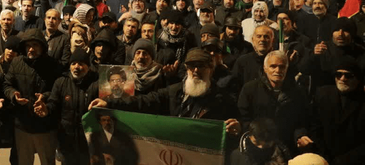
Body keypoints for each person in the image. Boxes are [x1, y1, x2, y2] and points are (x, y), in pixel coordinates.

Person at [89, 48, 241, 134]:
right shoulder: (173, 92)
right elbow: (142, 101)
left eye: (201, 66)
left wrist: (238, 128)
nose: (195, 70)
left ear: (210, 69)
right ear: (186, 68)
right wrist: (109, 102)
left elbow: (239, 123)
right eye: (191, 66)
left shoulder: (222, 99)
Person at [3, 29, 61, 165]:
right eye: (28, 45)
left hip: (45, 126)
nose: (31, 49)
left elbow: (58, 89)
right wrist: (13, 95)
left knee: (47, 161)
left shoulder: (52, 64)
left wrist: (45, 96)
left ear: (42, 46)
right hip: (23, 126)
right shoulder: (17, 62)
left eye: (35, 45)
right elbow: (7, 85)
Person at [237, 51, 310, 155]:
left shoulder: (298, 92)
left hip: (287, 147)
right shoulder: (250, 89)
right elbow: (244, 118)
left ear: (287, 68)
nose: (278, 70)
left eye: (282, 67)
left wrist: (301, 135)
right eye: (273, 66)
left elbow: (302, 120)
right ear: (265, 68)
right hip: (257, 145)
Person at [34, 49, 98, 165]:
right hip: (67, 140)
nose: (76, 67)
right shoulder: (61, 82)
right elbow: (53, 103)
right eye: (73, 63)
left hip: (90, 141)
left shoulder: (96, 84)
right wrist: (46, 109)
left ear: (88, 67)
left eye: (81, 64)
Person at [311, 59, 365, 164]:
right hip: (323, 157)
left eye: (348, 76)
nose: (342, 79)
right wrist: (324, 155)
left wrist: (344, 160)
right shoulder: (323, 94)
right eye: (338, 74)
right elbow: (315, 126)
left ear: (358, 79)